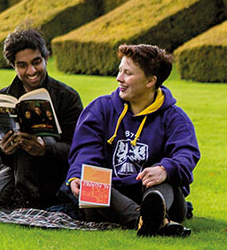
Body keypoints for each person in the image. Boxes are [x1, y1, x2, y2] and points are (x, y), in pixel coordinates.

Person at [65, 44, 200, 237]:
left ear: (150, 81)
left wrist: (165, 169)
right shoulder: (100, 109)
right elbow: (85, 151)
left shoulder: (175, 117)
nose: (119, 78)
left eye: (127, 73)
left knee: (164, 184)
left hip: (158, 195)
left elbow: (187, 153)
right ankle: (148, 220)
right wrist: (78, 174)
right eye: (120, 71)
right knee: (92, 183)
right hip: (109, 195)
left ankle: (153, 215)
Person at [0, 27, 83, 210]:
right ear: (14, 66)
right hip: (16, 169)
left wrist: (44, 149)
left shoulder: (67, 97)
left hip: (55, 168)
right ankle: (25, 199)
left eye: (36, 62)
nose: (31, 71)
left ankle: (28, 201)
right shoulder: (3, 98)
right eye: (22, 65)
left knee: (33, 138)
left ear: (46, 59)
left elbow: (76, 149)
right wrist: (4, 149)